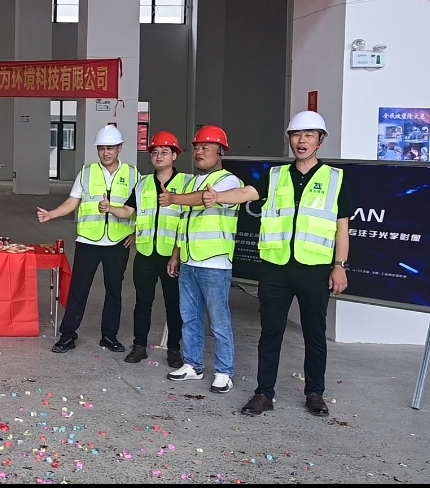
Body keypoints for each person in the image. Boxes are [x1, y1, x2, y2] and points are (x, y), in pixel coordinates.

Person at [203, 112, 352, 417]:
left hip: (314, 268)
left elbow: (342, 227)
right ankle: (264, 393)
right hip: (276, 267)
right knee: (270, 333)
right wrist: (218, 196)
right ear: (290, 139)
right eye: (296, 135)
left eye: (309, 135)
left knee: (314, 334)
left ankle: (315, 393)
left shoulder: (335, 178)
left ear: (320, 141)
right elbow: (245, 193)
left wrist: (339, 265)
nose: (302, 141)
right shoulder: (275, 175)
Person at [39, 125, 138, 354]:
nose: (106, 152)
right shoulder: (86, 172)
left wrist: (136, 232)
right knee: (79, 289)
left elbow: (141, 208)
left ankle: (109, 336)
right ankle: (67, 335)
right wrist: (51, 214)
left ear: (120, 149)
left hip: (118, 242)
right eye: (102, 148)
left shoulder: (134, 174)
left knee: (114, 291)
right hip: (88, 241)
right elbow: (72, 202)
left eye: (110, 148)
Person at [159, 125, 243, 394]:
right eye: (197, 147)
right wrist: (176, 255)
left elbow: (202, 200)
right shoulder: (191, 182)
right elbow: (183, 221)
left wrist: (174, 198)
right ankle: (193, 365)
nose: (199, 152)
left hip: (215, 262)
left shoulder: (229, 181)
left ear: (221, 152)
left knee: (219, 321)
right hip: (190, 261)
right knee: (190, 317)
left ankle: (224, 371)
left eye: (206, 147)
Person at [124, 131, 188, 368]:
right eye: (155, 152)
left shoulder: (186, 184)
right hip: (145, 254)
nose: (159, 156)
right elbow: (131, 212)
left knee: (174, 304)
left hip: (172, 256)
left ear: (174, 155)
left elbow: (186, 222)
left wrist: (176, 255)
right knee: (142, 302)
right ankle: (139, 346)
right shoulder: (142, 184)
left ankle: (174, 349)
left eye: (165, 152)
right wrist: (110, 208)